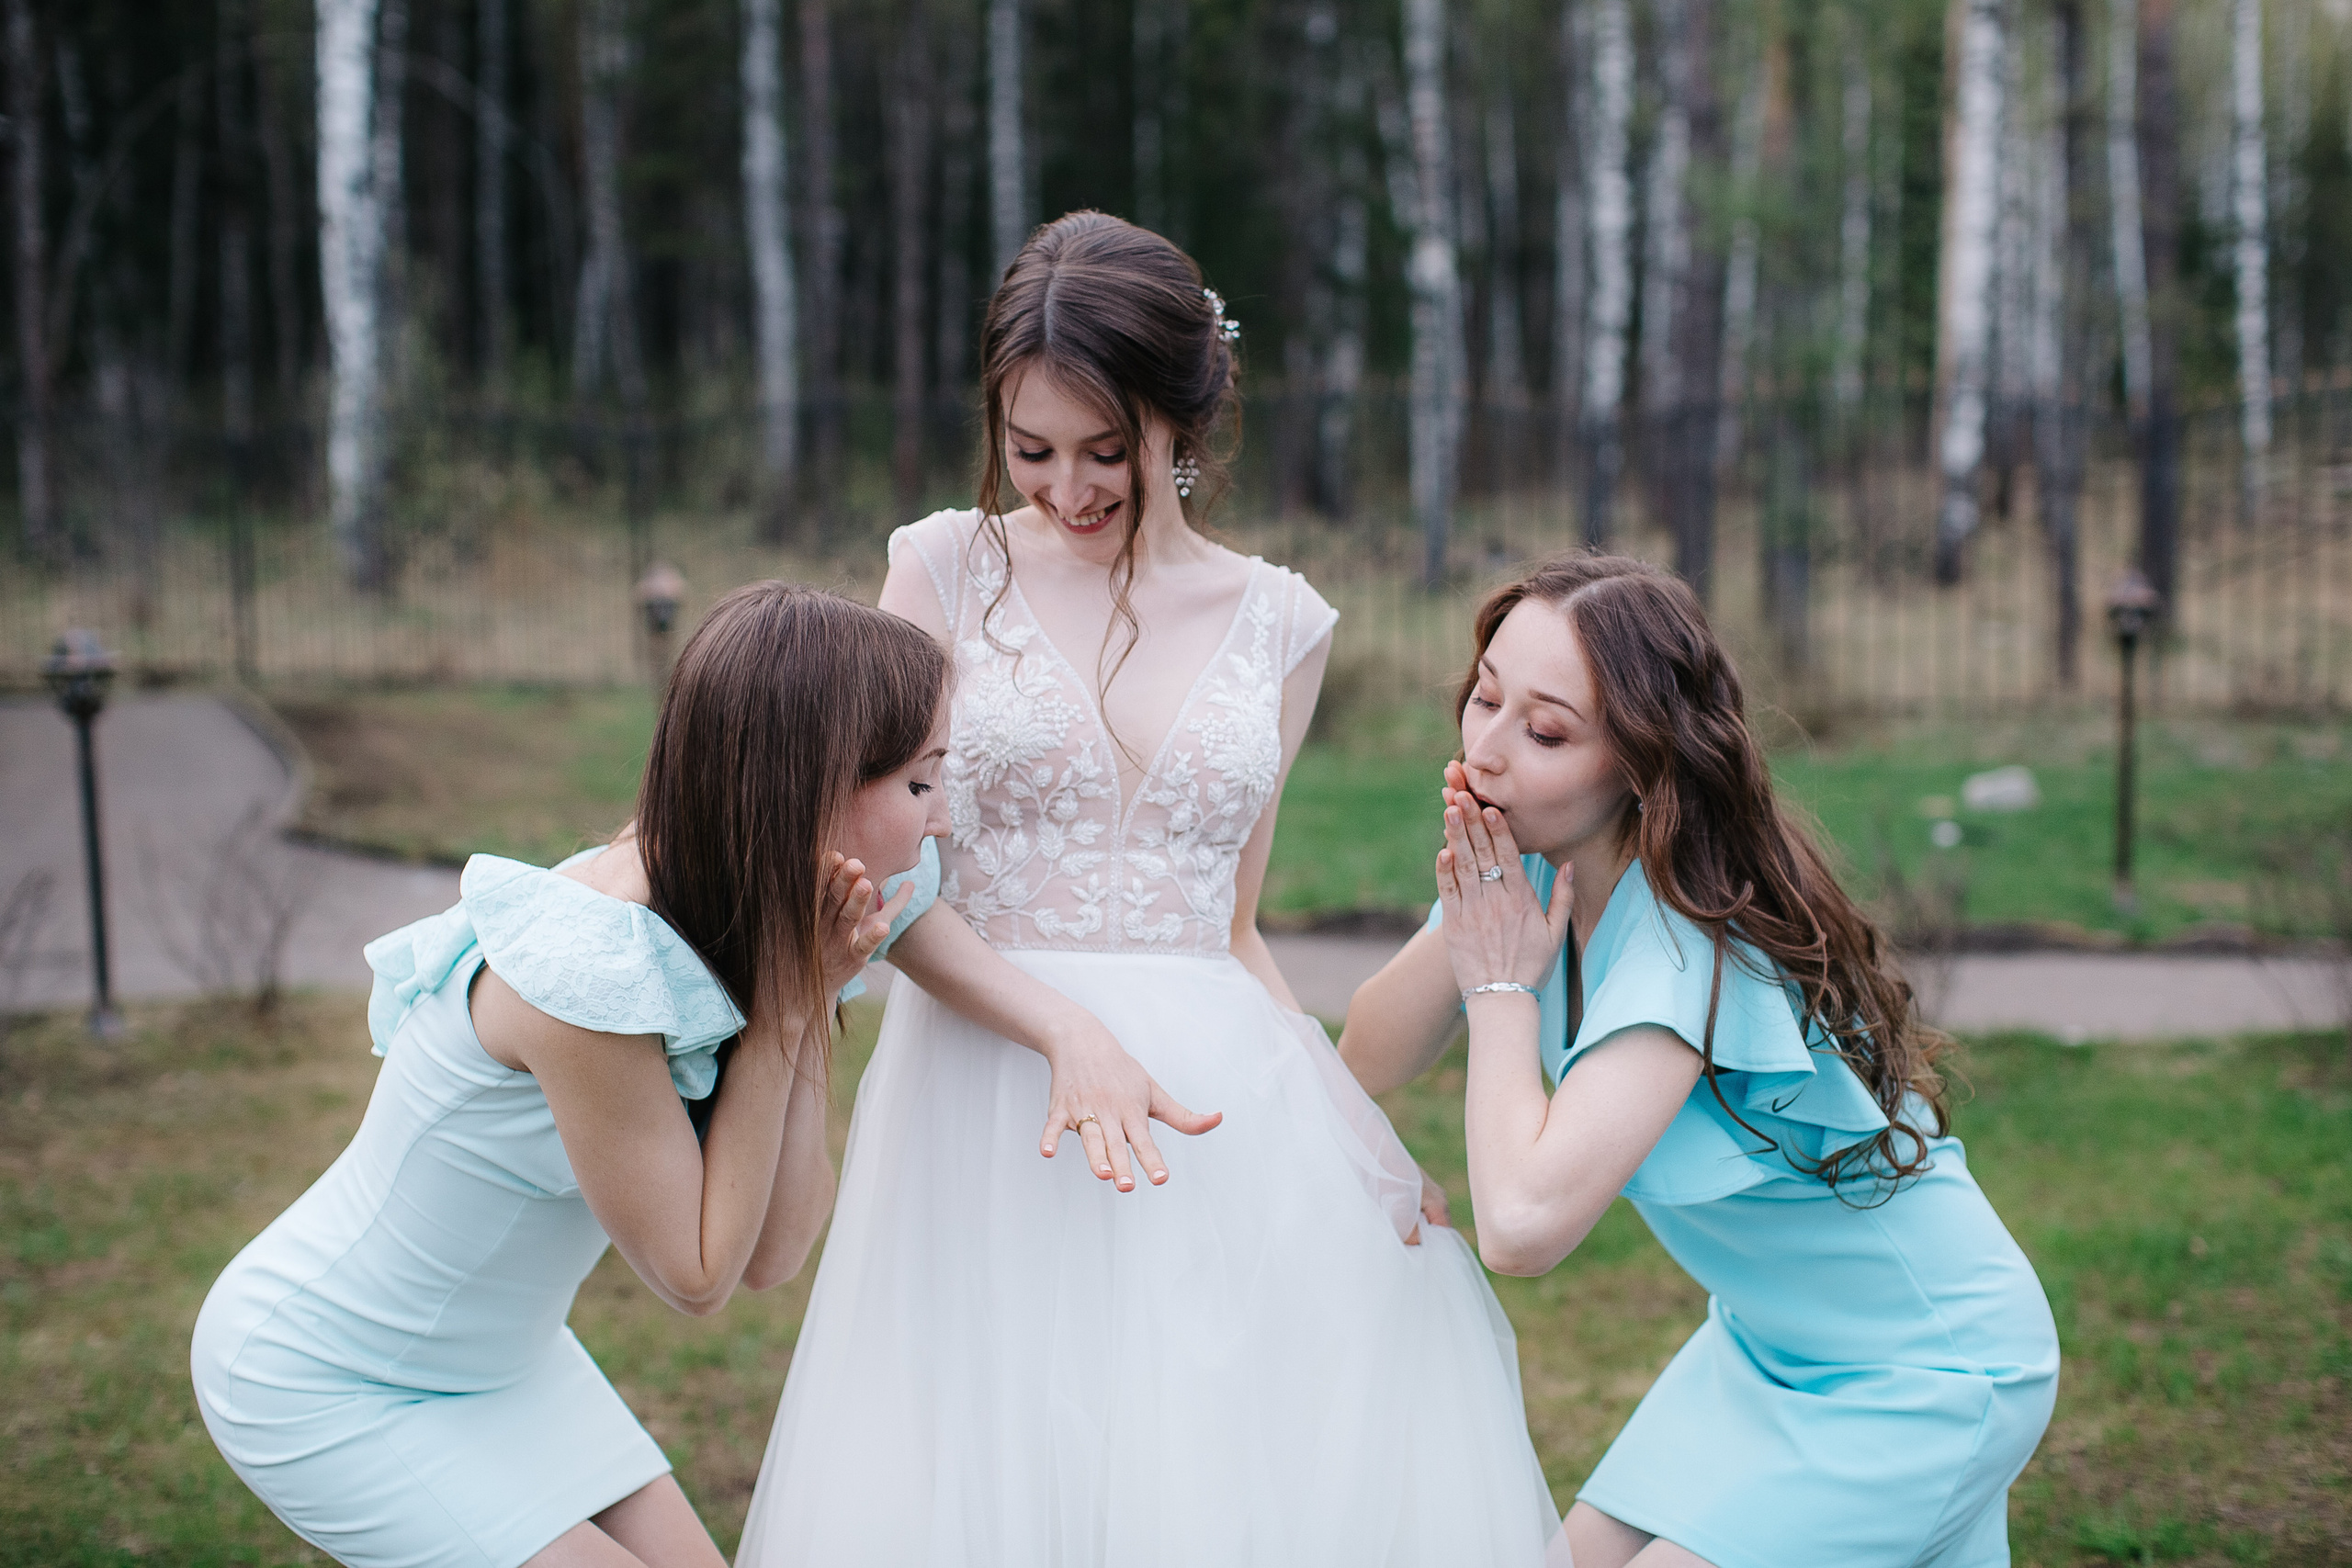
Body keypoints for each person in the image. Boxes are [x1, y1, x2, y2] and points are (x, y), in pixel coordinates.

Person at [735, 211, 1557, 1566]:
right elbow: (881, 873)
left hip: (1208, 1114)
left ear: (1186, 415)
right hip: (985, 1097)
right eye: (1031, 450)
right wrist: (1065, 1027)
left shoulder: (1283, 622)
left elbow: (1230, 924)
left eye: (1106, 450)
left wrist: (1350, 1131)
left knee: (1211, 1483)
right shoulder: (941, 569)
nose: (1068, 489)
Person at [189, 583, 952, 1568]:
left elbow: (774, 1253)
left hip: (509, 1363)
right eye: (921, 784)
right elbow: (699, 1275)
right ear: (812, 787)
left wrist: (797, 1003)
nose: (939, 822)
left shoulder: (765, 910)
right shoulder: (584, 970)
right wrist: (790, 1014)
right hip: (331, 1376)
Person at [1340, 552, 2061, 1568]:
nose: (1488, 750)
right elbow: (1369, 1052)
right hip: (1764, 1347)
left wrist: (1500, 993)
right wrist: (1463, 934)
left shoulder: (1691, 947)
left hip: (1924, 1370)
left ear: (1640, 764)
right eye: (1484, 699)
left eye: (1544, 730)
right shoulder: (1537, 875)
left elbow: (1520, 1227)